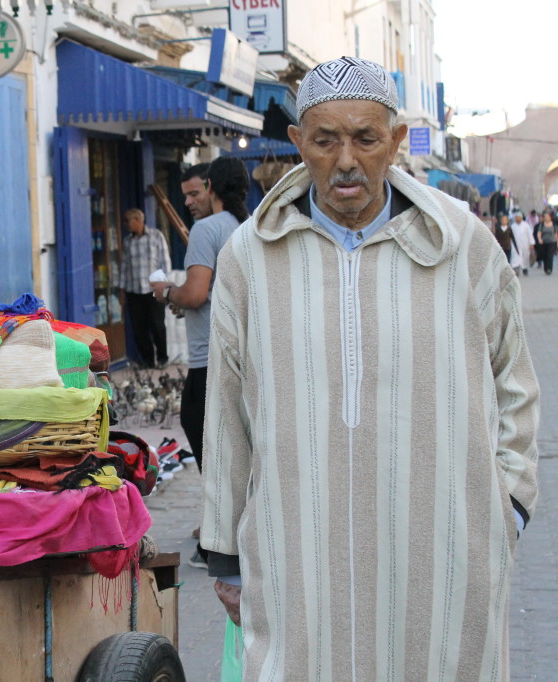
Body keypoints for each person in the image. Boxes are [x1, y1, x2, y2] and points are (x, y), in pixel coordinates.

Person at [202, 56, 539, 679]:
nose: (346, 161)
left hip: (445, 553)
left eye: (366, 138)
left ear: (398, 142)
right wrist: (224, 552)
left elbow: (515, 384)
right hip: (296, 551)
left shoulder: (464, 246)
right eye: (326, 140)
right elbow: (225, 409)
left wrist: (507, 505)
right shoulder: (250, 256)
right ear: (298, 142)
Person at [152, 158, 249, 567]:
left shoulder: (208, 230)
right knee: (236, 444)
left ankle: (219, 545)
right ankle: (223, 527)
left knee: (209, 443)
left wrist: (165, 292)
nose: (189, 200)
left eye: (195, 192)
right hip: (245, 352)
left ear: (211, 186)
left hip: (208, 356)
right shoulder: (249, 227)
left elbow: (194, 293)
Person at [119, 208, 171, 368]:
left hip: (153, 289)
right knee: (139, 328)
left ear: (138, 220)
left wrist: (164, 286)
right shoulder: (128, 241)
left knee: (157, 325)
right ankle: (148, 360)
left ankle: (162, 358)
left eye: (127, 220)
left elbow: (165, 262)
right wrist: (122, 290)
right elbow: (124, 266)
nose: (125, 224)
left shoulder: (156, 236)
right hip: (134, 290)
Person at [511, 211, 533, 276]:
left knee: (525, 256)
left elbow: (530, 235)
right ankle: (516, 269)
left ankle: (524, 268)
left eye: (519, 217)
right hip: (515, 245)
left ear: (521, 218)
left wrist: (531, 243)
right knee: (515, 257)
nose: (517, 219)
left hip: (525, 244)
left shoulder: (526, 225)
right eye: (516, 217)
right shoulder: (513, 226)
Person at [537, 210, 556, 274]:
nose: (546, 218)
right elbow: (539, 233)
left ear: (550, 217)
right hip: (544, 242)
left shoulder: (553, 225)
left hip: (552, 242)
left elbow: (556, 234)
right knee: (545, 256)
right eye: (545, 217)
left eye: (548, 217)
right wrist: (540, 239)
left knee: (550, 255)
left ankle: (549, 269)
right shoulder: (542, 225)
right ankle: (546, 268)